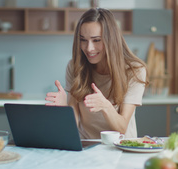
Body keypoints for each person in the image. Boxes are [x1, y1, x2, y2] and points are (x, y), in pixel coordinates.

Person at [45, 8, 148, 139]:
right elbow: (73, 123)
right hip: (87, 145)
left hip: (120, 147)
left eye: (96, 40)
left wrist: (105, 106)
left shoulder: (134, 70)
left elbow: (122, 127)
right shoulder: (75, 66)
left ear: (111, 40)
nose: (89, 48)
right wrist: (64, 109)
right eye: (83, 40)